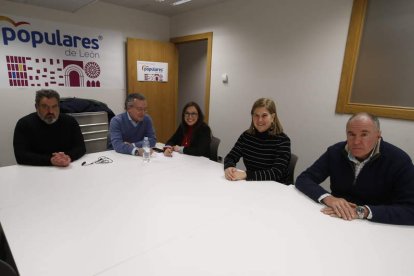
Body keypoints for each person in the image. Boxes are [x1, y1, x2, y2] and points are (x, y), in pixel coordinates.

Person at [295, 112, 414, 225]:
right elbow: (304, 179)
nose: (356, 142)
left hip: (376, 225)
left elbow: (410, 210)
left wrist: (363, 211)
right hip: (335, 219)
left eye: (364, 134)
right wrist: (328, 198)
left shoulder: (398, 160)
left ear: (378, 135)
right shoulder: (335, 152)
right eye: (351, 134)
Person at [224, 98, 291, 183]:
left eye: (264, 115)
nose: (260, 120)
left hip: (274, 189)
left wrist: (246, 175)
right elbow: (231, 157)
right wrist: (229, 168)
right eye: (256, 115)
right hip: (252, 185)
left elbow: (276, 173)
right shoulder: (246, 136)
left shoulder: (283, 140)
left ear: (272, 117)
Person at [13, 89, 86, 167]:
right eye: (45, 107)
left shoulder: (70, 121)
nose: (50, 111)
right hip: (36, 170)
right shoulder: (24, 124)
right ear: (36, 107)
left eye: (54, 106)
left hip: (66, 167)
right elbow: (20, 155)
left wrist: (68, 157)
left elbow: (81, 147)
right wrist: (51, 160)